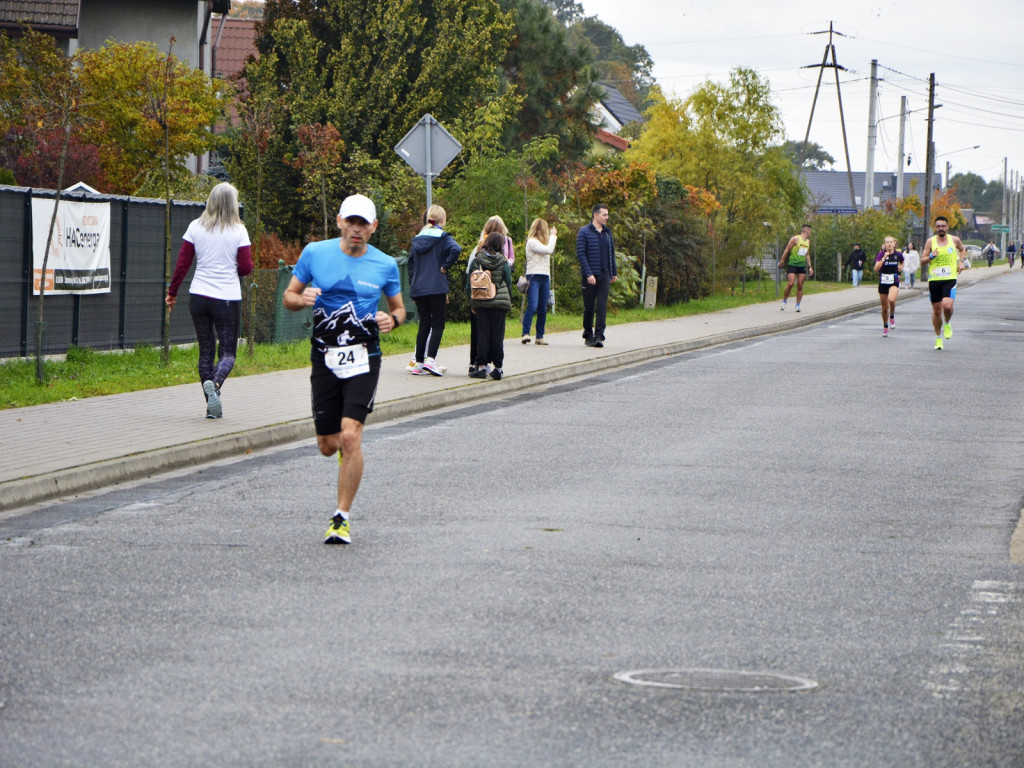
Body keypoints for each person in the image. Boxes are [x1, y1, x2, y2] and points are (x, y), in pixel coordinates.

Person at [282, 194, 405, 545]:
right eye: (351, 221)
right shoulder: (315, 253)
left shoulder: (385, 265)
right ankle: (342, 458)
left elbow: (399, 309)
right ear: (339, 221)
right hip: (325, 356)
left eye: (363, 223)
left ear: (373, 227)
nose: (357, 229)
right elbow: (289, 296)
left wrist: (391, 320)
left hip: (365, 357)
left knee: (350, 437)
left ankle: (341, 518)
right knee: (327, 444)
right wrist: (299, 299)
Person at [165, 182, 252, 420]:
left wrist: (172, 293)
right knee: (227, 354)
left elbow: (182, 264)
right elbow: (245, 268)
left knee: (205, 352)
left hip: (198, 297)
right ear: (232, 204)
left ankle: (212, 407)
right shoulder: (238, 231)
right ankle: (215, 384)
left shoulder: (195, 227)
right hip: (226, 299)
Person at [406, 205, 461, 376]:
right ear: (442, 220)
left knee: (424, 324)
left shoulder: (417, 240)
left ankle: (418, 363)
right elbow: (456, 249)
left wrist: (413, 287)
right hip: (436, 287)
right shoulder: (443, 238)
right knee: (438, 324)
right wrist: (445, 266)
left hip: (419, 288)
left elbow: (410, 264)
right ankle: (431, 360)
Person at [466, 216, 515, 376]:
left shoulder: (478, 259)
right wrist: (508, 299)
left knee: (482, 335)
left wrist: (471, 302)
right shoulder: (503, 261)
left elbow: (470, 282)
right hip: (499, 304)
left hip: (481, 302)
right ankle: (498, 368)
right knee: (497, 336)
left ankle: (480, 366)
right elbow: (508, 282)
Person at [921, 215, 966, 351]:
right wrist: (930, 256)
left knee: (947, 306)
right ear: (935, 228)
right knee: (937, 310)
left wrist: (961, 262)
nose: (941, 228)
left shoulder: (954, 240)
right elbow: (922, 260)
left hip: (950, 277)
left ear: (947, 227)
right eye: (938, 226)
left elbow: (962, 249)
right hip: (935, 279)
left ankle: (947, 323)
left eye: (943, 226)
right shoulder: (930, 242)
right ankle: (938, 337)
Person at [576, 203, 618, 347]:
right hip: (590, 275)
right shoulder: (584, 232)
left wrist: (613, 272)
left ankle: (599, 335)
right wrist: (588, 273)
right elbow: (581, 254)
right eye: (604, 214)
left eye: (607, 214)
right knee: (589, 306)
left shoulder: (607, 233)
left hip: (604, 273)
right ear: (595, 215)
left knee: (602, 305)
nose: (607, 217)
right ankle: (588, 334)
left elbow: (611, 253)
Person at [522, 218, 556, 345]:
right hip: (534, 276)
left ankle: (539, 336)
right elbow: (548, 250)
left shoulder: (543, 243)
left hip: (545, 276)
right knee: (533, 305)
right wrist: (553, 237)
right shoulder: (532, 242)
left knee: (543, 307)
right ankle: (525, 333)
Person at [779, 224, 814, 312]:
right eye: (810, 231)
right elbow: (787, 249)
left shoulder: (808, 242)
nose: (810, 233)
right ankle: (784, 301)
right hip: (792, 264)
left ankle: (797, 305)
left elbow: (807, 254)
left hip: (801, 265)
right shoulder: (795, 239)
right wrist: (782, 261)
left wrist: (810, 266)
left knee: (800, 285)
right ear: (807, 231)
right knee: (791, 283)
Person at [873, 236, 903, 337]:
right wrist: (883, 258)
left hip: (893, 280)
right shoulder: (881, 254)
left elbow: (902, 262)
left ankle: (892, 315)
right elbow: (876, 269)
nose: (889, 244)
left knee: (891, 300)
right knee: (884, 307)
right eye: (887, 242)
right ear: (884, 244)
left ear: (895, 244)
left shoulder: (898, 254)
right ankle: (885, 326)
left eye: (891, 242)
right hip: (883, 281)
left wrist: (900, 268)